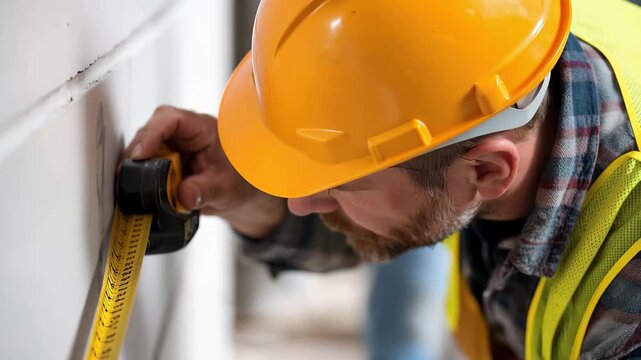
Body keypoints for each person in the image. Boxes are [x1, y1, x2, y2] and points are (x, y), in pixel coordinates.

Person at [123, 0, 641, 358]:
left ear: (487, 171)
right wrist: (255, 195)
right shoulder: (512, 46)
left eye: (343, 183)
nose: (299, 203)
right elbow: (398, 220)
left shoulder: (629, 307)